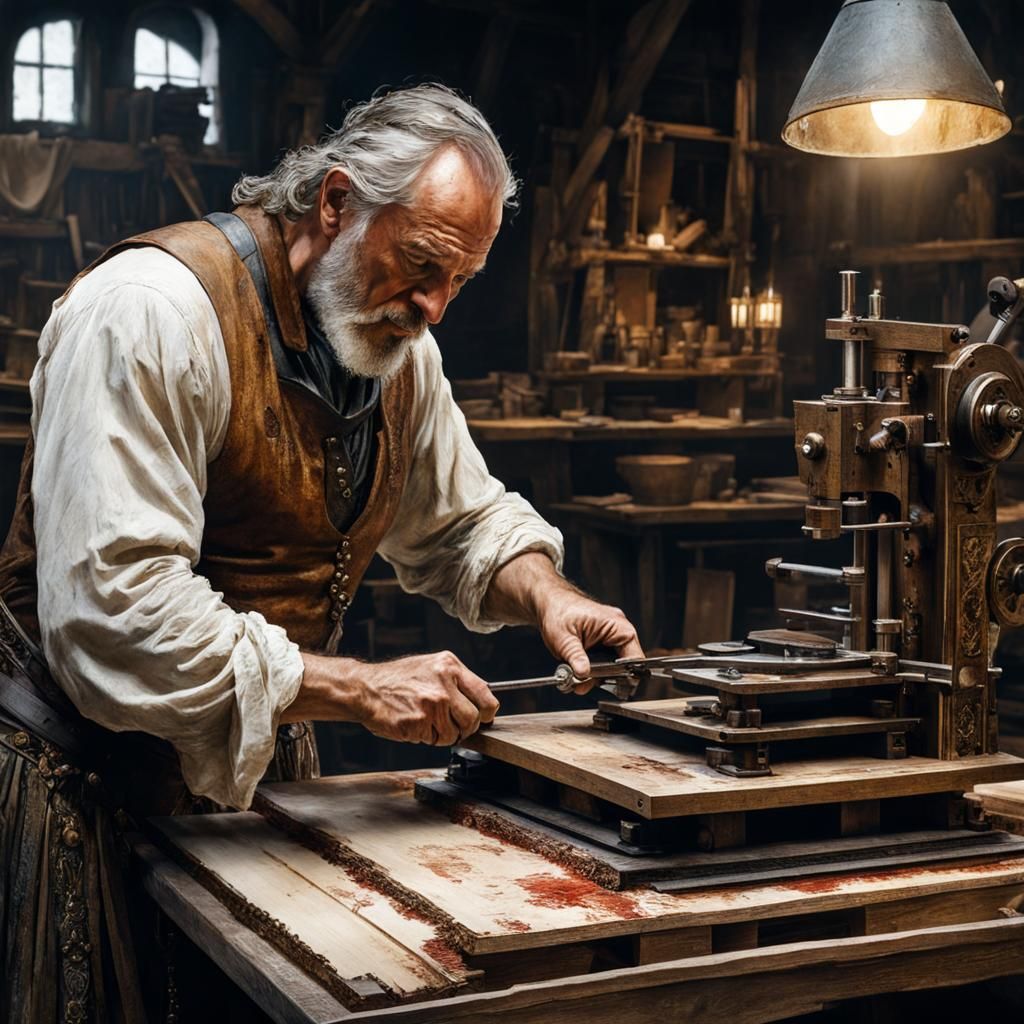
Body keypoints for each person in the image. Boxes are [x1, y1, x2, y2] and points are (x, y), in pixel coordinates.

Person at [0, 83, 642, 1022]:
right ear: (337, 202)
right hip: (79, 786)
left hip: (247, 786)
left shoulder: (398, 352)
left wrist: (545, 591)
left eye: (458, 281)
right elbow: (116, 616)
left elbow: (461, 522)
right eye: (422, 264)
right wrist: (361, 688)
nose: (434, 308)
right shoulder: (150, 313)